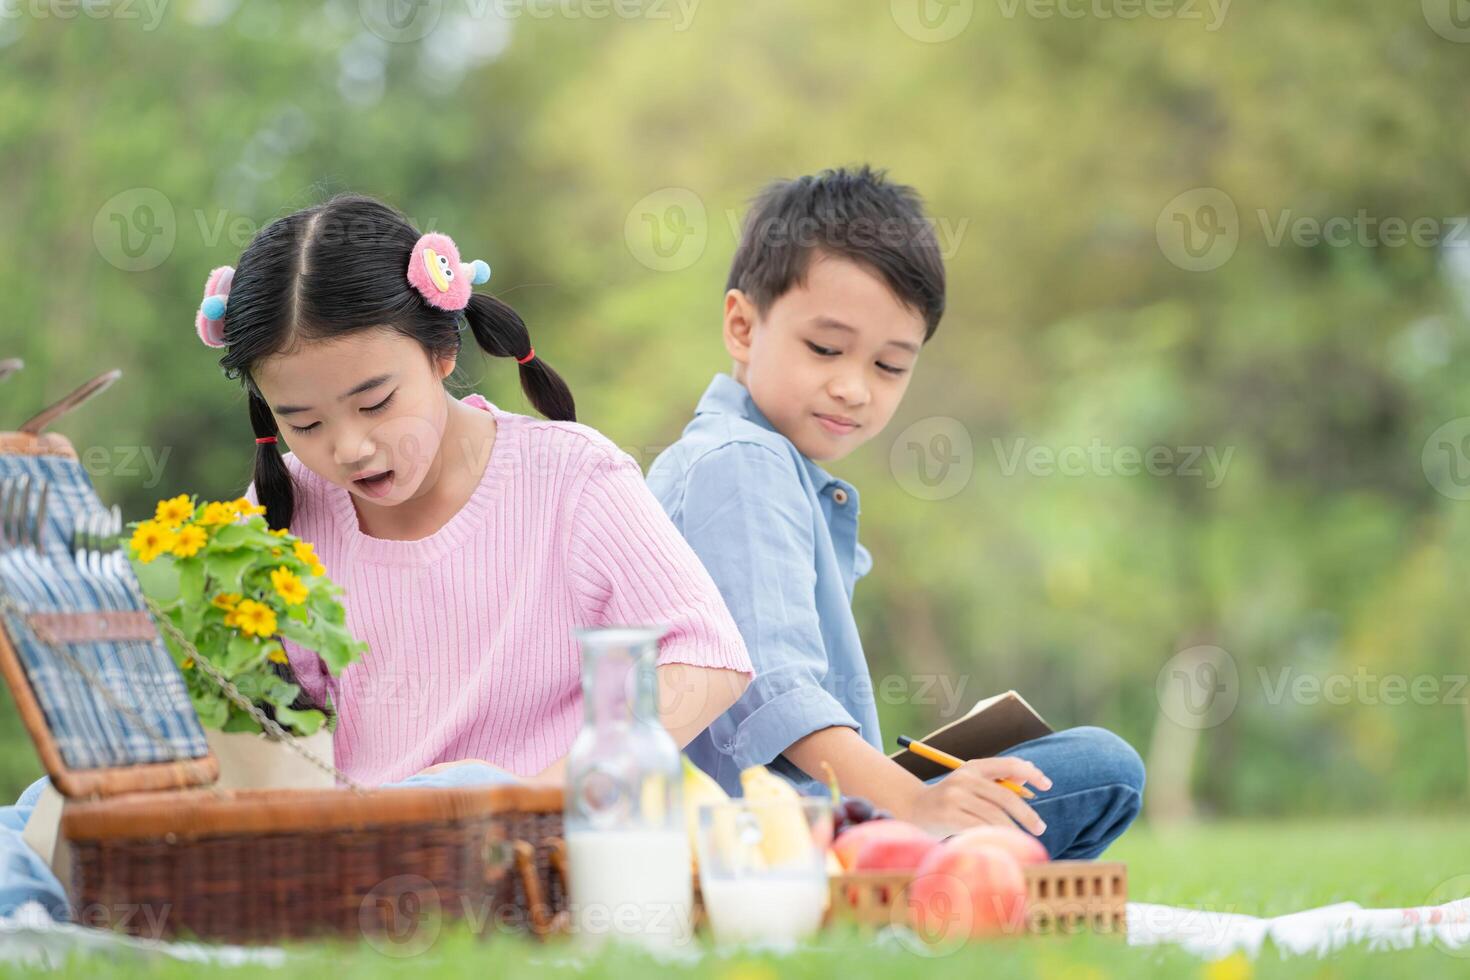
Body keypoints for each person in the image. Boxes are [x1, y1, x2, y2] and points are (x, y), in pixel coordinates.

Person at [646, 167, 1144, 858]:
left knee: (1038, 761)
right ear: (741, 325)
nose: (853, 388)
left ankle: (940, 874)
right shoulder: (740, 462)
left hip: (806, 812)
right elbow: (774, 697)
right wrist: (914, 800)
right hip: (764, 833)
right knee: (1102, 768)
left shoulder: (762, 467)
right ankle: (923, 875)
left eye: (889, 366)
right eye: (825, 349)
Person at [196, 194, 752, 785]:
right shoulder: (273, 521)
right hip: (371, 863)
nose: (350, 447)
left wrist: (547, 799)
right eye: (305, 424)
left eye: (376, 403)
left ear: (442, 350)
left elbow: (706, 658)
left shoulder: (570, 479)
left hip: (539, 853)